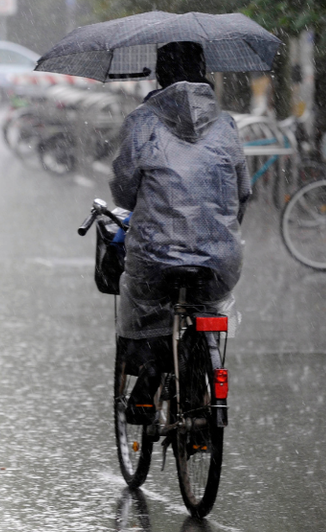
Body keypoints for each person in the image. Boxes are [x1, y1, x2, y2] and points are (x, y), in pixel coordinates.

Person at [110, 41, 252, 424]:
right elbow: (243, 192)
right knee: (202, 304)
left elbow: (124, 190)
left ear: (160, 75)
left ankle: (151, 376)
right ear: (203, 72)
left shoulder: (142, 122)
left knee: (143, 301)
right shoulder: (225, 125)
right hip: (220, 259)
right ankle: (198, 390)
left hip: (157, 256)